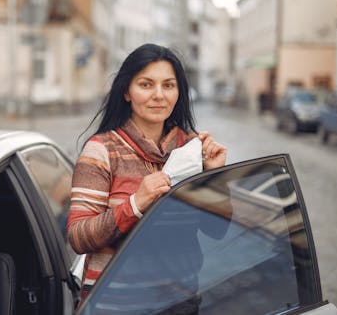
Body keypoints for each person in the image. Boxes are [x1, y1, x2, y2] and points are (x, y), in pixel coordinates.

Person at [66, 43, 227, 301]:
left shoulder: (192, 149)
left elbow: (217, 230)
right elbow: (78, 237)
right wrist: (134, 204)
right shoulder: (102, 151)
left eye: (168, 85)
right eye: (146, 84)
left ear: (179, 93)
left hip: (180, 301)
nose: (159, 95)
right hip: (115, 304)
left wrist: (214, 176)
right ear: (127, 92)